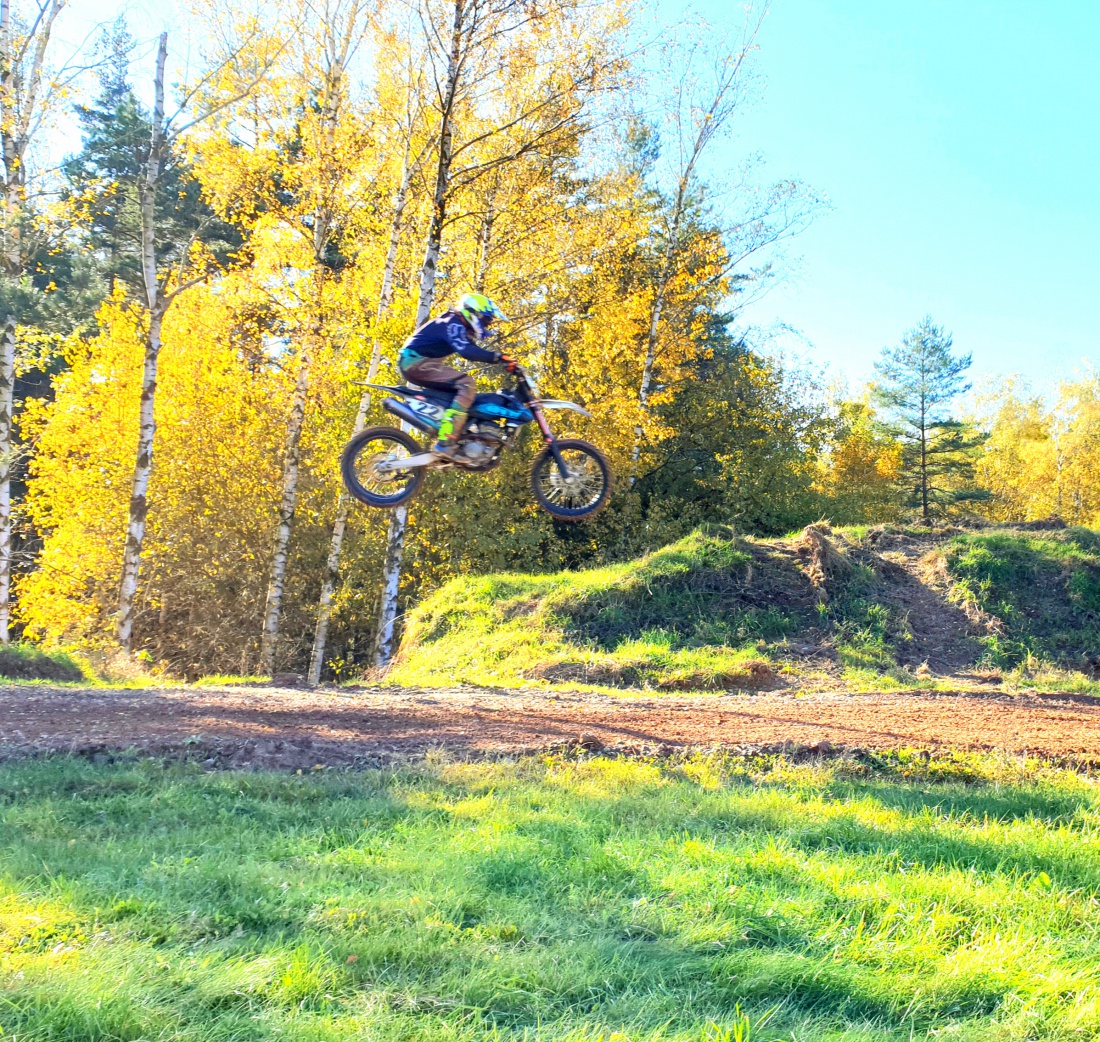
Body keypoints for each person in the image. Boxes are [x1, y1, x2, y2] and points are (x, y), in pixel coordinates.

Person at [397, 293, 512, 457]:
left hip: (417, 362)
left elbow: (473, 349)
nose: (486, 324)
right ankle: (445, 440)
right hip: (415, 362)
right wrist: (499, 357)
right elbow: (468, 351)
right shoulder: (453, 323)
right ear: (474, 313)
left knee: (457, 393)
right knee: (466, 384)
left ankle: (451, 430)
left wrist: (502, 360)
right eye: (485, 319)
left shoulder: (456, 324)